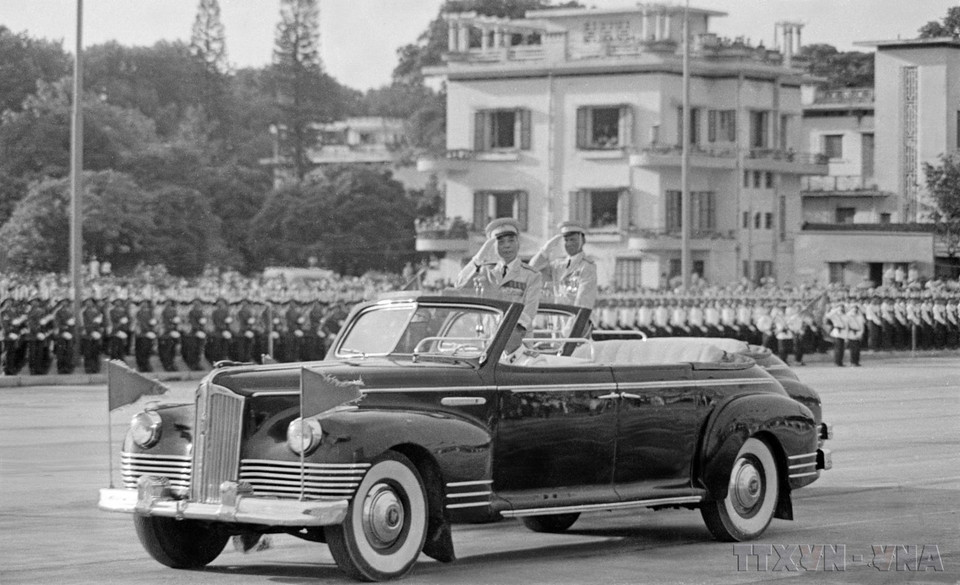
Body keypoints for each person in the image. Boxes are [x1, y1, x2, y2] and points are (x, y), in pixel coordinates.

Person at [454, 218, 542, 355]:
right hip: (487, 342)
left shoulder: (531, 275)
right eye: (500, 242)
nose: (507, 246)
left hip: (518, 346)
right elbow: (459, 284)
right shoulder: (485, 270)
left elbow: (529, 312)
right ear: (493, 246)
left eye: (511, 241)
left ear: (518, 244)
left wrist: (506, 336)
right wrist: (478, 258)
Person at [528, 221, 598, 310]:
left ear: (583, 241)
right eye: (566, 240)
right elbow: (532, 269)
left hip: (575, 320)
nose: (569, 244)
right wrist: (545, 250)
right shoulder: (558, 265)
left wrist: (573, 324)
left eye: (573, 240)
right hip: (557, 320)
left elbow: (583, 303)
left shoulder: (587, 267)